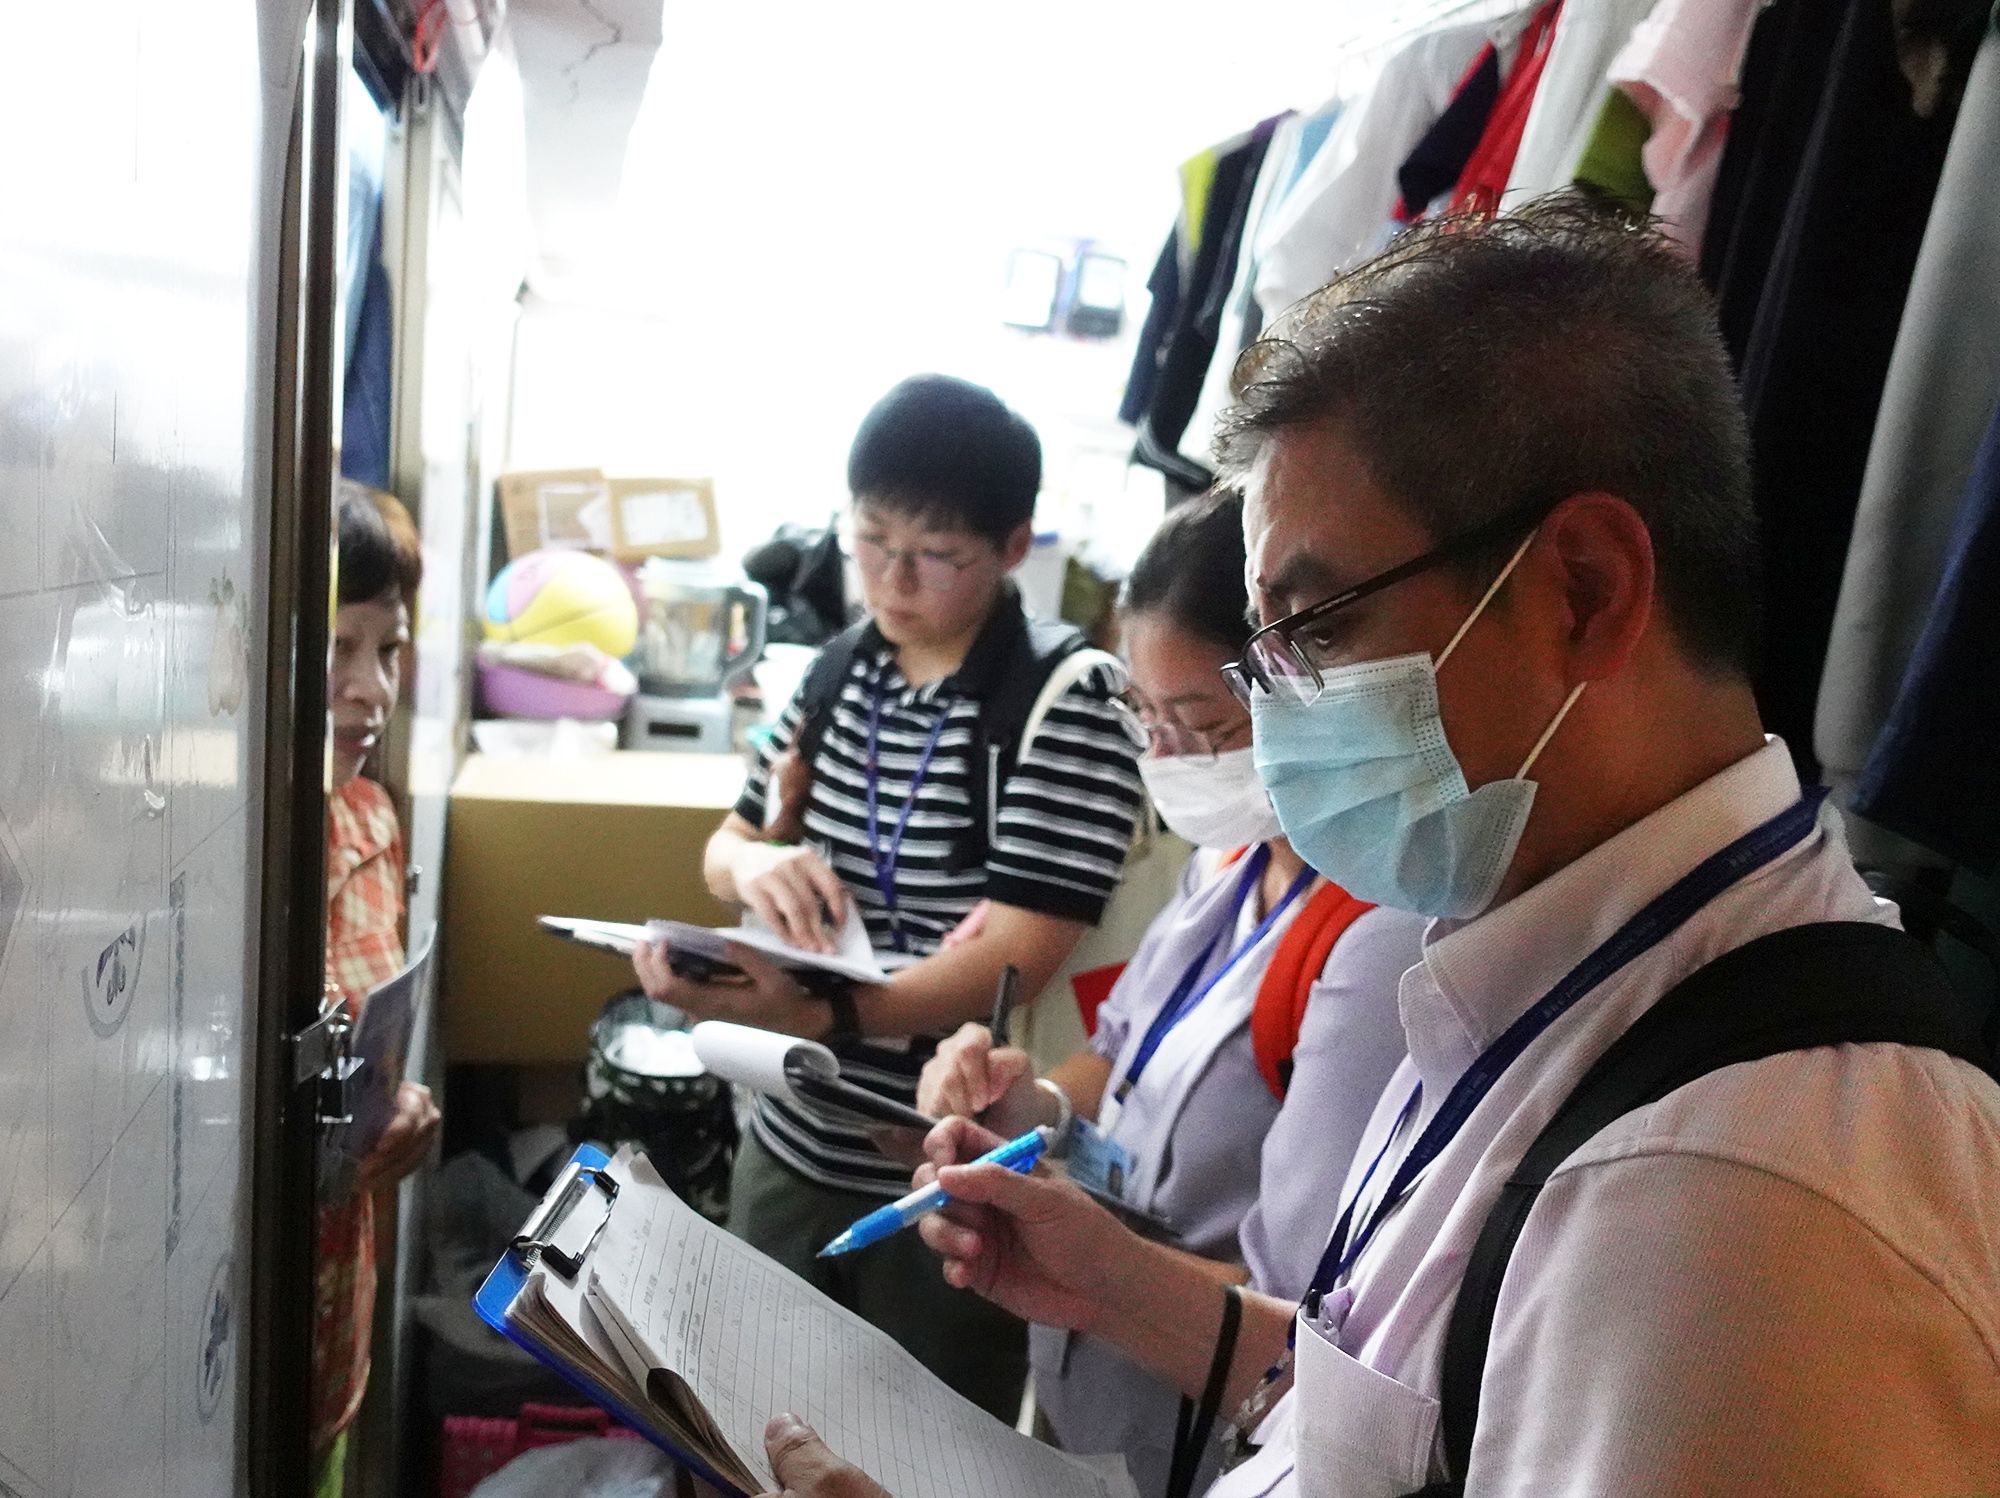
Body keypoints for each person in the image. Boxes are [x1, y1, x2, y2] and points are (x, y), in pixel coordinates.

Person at [749, 199, 2000, 1498]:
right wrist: (1119, 1285)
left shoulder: (1732, 1200)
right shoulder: (1545, 968)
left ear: (1584, 589)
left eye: (1317, 631)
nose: (1273, 718)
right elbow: (1411, 1414)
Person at [632, 374, 1147, 1420]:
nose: (891, 579)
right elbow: (726, 845)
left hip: (943, 1164)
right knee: (749, 1424)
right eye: (869, 539)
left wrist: (827, 1012)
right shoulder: (837, 670)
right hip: (789, 1130)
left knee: (918, 1443)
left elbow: (1019, 949)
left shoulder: (1063, 696)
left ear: (1012, 547)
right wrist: (755, 870)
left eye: (934, 555)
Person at [916, 490, 1420, 1497]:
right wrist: (1031, 1104)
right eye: (1144, 720)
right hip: (1097, 1384)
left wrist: (1103, 1272)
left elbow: (1316, 1313)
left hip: (1215, 1420)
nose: (1170, 761)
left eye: (1199, 724)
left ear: (1295, 690)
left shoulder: (1375, 942)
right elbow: (1119, 1046)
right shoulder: (1228, 865)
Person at [314, 481, 444, 1496]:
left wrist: (400, 1117)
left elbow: (362, 1063)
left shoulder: (370, 821)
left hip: (332, 1326)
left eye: (388, 650)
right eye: (338, 647)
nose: (371, 688)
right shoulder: (209, 870)